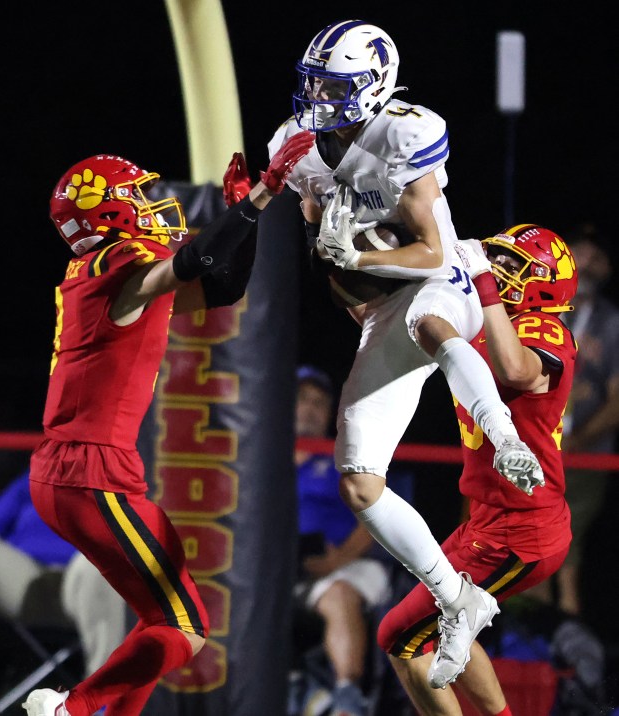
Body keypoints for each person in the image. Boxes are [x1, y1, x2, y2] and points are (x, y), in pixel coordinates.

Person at [263, 19, 546, 687]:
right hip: (382, 309)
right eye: (316, 85)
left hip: (439, 283)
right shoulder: (298, 147)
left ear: (375, 83)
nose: (321, 100)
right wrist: (344, 275)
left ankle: (504, 436)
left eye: (336, 87)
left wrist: (358, 252)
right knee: (359, 479)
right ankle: (458, 599)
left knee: (429, 325)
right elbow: (327, 265)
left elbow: (433, 251)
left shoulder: (406, 131)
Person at [22, 130, 315, 716]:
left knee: (165, 623)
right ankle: (70, 709)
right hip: (90, 474)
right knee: (187, 628)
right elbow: (199, 258)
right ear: (107, 213)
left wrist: (246, 220)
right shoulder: (120, 267)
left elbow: (223, 286)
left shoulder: (101, 273)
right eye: (137, 195)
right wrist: (260, 195)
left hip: (84, 472)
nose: (152, 204)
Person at [377, 224, 578, 714]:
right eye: (500, 259)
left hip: (522, 527)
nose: (502, 270)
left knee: (401, 636)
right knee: (448, 623)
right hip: (491, 519)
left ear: (546, 284)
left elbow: (515, 370)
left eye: (515, 266)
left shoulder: (544, 327)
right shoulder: (489, 318)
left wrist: (485, 281)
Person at [292, 365, 390, 716]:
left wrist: (338, 560)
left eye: (320, 402)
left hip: (349, 564)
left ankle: (347, 698)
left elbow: (375, 518)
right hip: (287, 573)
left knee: (338, 593)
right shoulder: (262, 458)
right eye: (302, 399)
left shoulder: (344, 456)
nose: (310, 408)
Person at [0, 468, 125, 677]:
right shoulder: (40, 474)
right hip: (29, 574)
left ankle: (105, 700)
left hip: (88, 575)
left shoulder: (135, 476)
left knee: (101, 570)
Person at [553, 223, 619, 617]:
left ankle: (566, 623)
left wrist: (576, 444)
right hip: (526, 445)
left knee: (564, 535)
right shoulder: (533, 307)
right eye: (582, 252)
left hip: (584, 452)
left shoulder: (611, 322)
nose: (589, 263)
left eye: (599, 258)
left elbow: (617, 401)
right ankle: (526, 633)